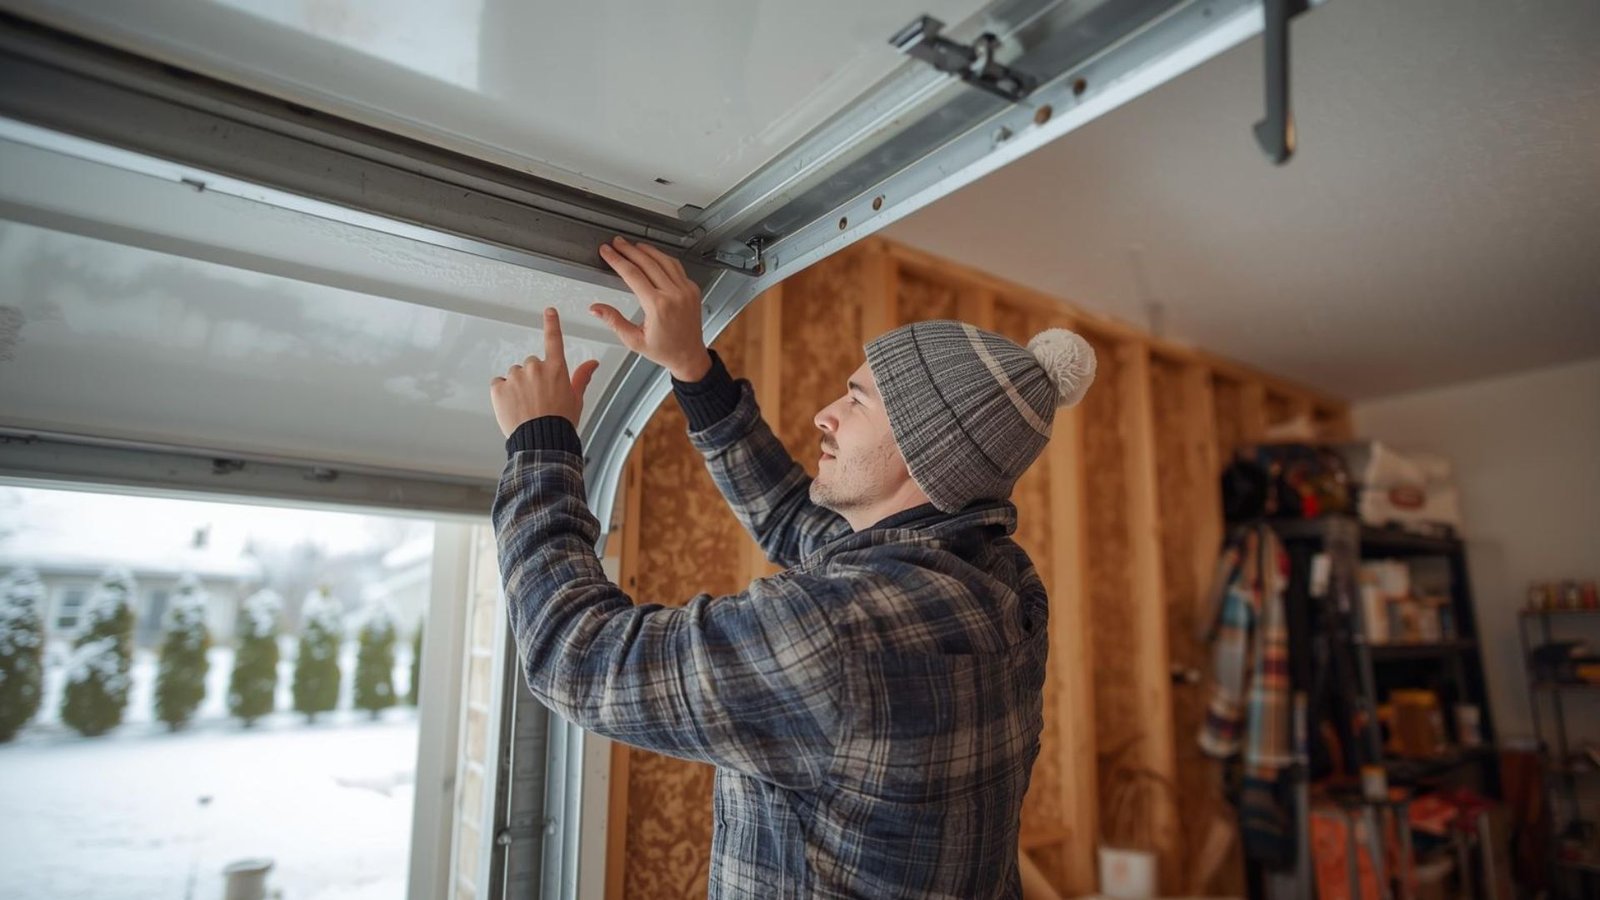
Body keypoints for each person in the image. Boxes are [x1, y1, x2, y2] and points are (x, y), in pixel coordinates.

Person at [488, 236, 1096, 898]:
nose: (825, 416)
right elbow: (791, 518)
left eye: (858, 401)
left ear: (927, 453)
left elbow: (573, 658)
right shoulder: (997, 577)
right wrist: (694, 371)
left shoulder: (844, 633)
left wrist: (541, 447)